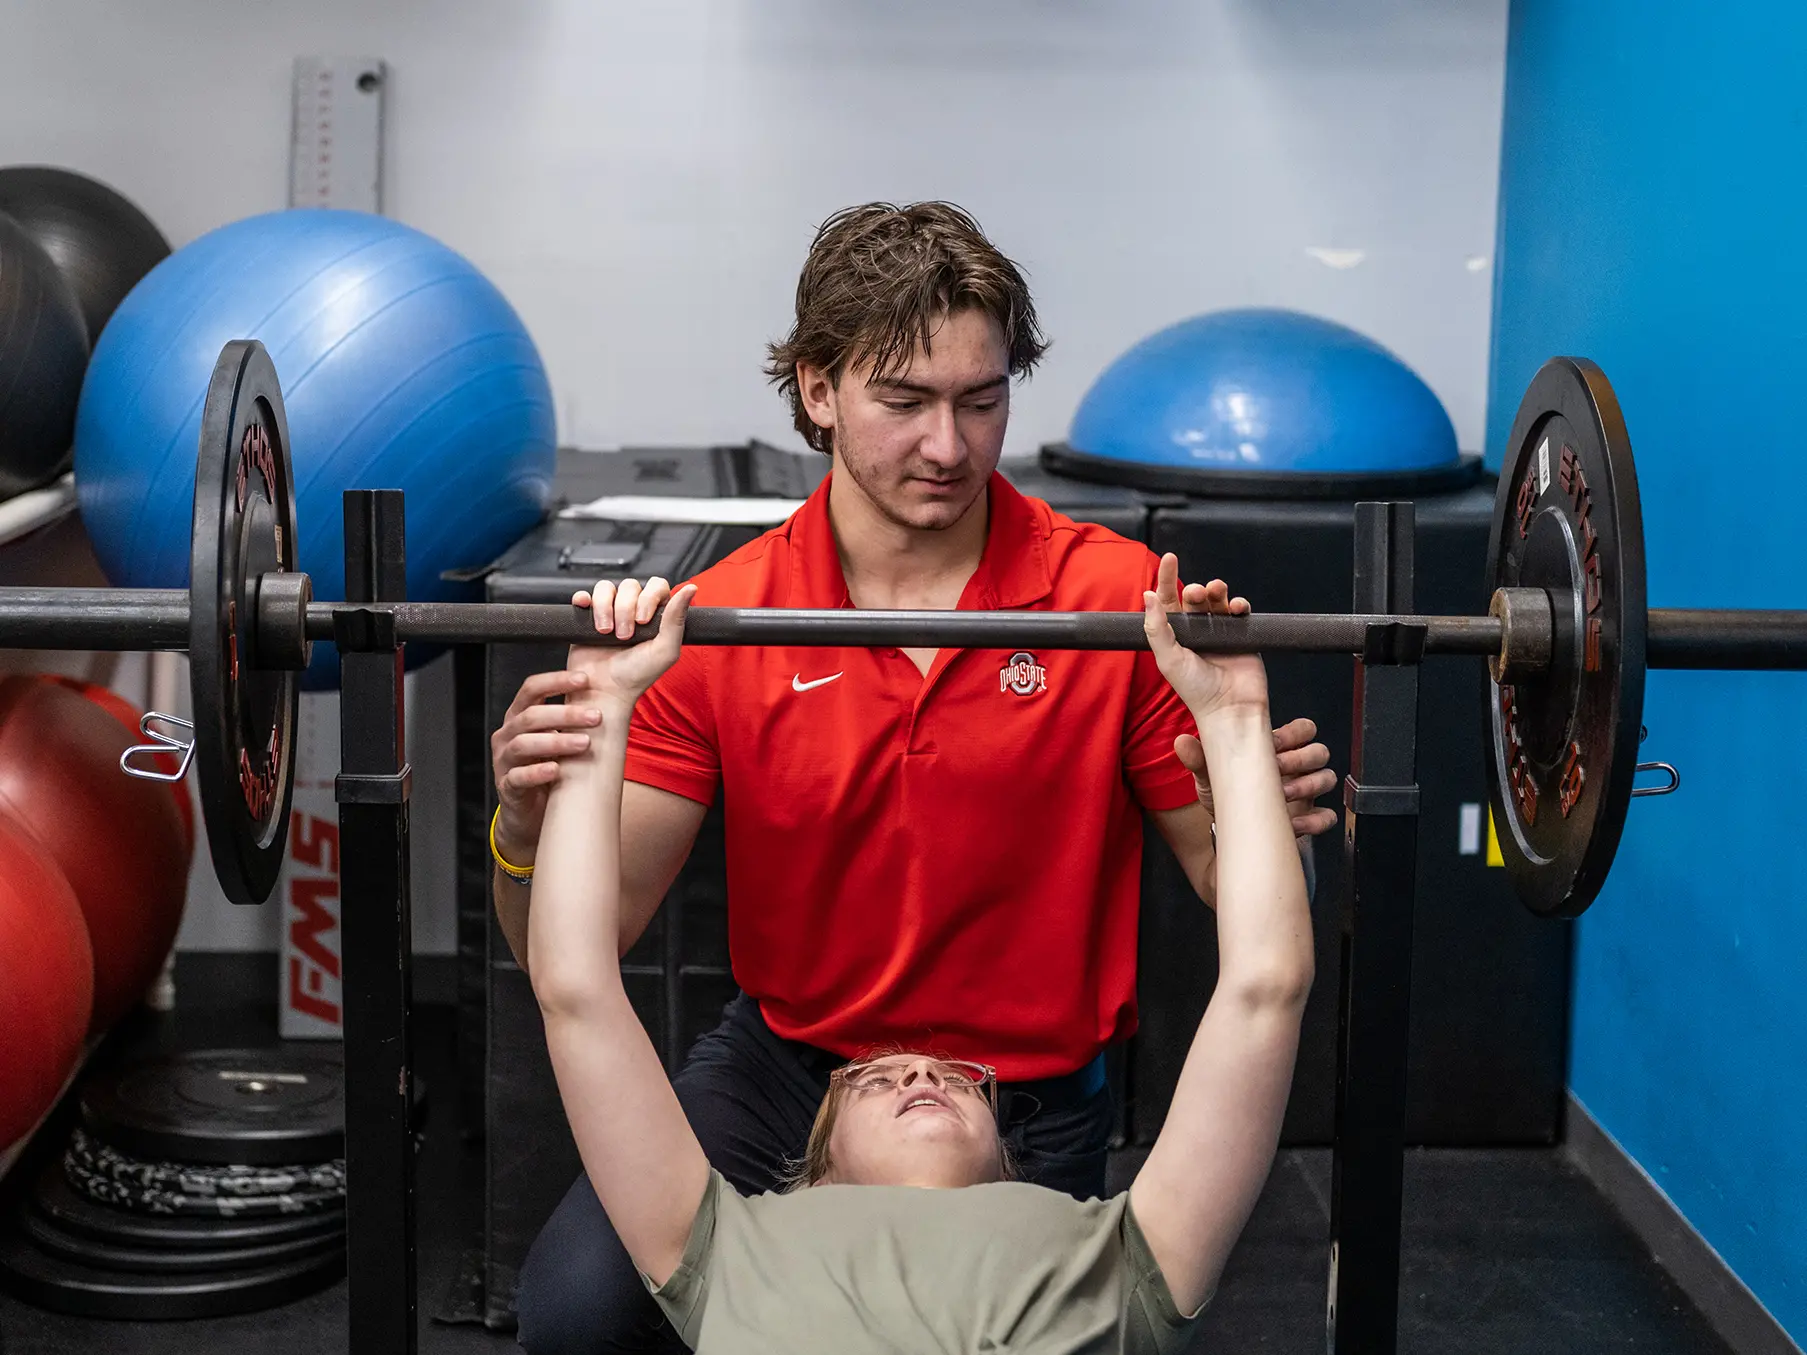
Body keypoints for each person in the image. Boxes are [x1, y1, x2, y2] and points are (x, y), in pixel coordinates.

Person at [493, 201, 1337, 1352]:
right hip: (792, 1063)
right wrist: (523, 826)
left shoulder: (1113, 598)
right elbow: (581, 943)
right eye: (904, 402)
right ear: (818, 389)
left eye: (980, 401)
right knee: (583, 1310)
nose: (948, 446)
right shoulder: (733, 619)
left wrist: (1255, 800)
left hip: (1026, 1085)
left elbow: (1221, 883)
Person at [527, 569, 1312, 1353]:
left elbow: (1264, 989)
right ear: (816, 1166)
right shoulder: (726, 1250)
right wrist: (597, 705)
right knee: (579, 1303)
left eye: (952, 1079)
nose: (919, 1073)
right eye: (874, 1079)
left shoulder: (1120, 1259)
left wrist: (1233, 717)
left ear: (1012, 1160)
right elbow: (574, 987)